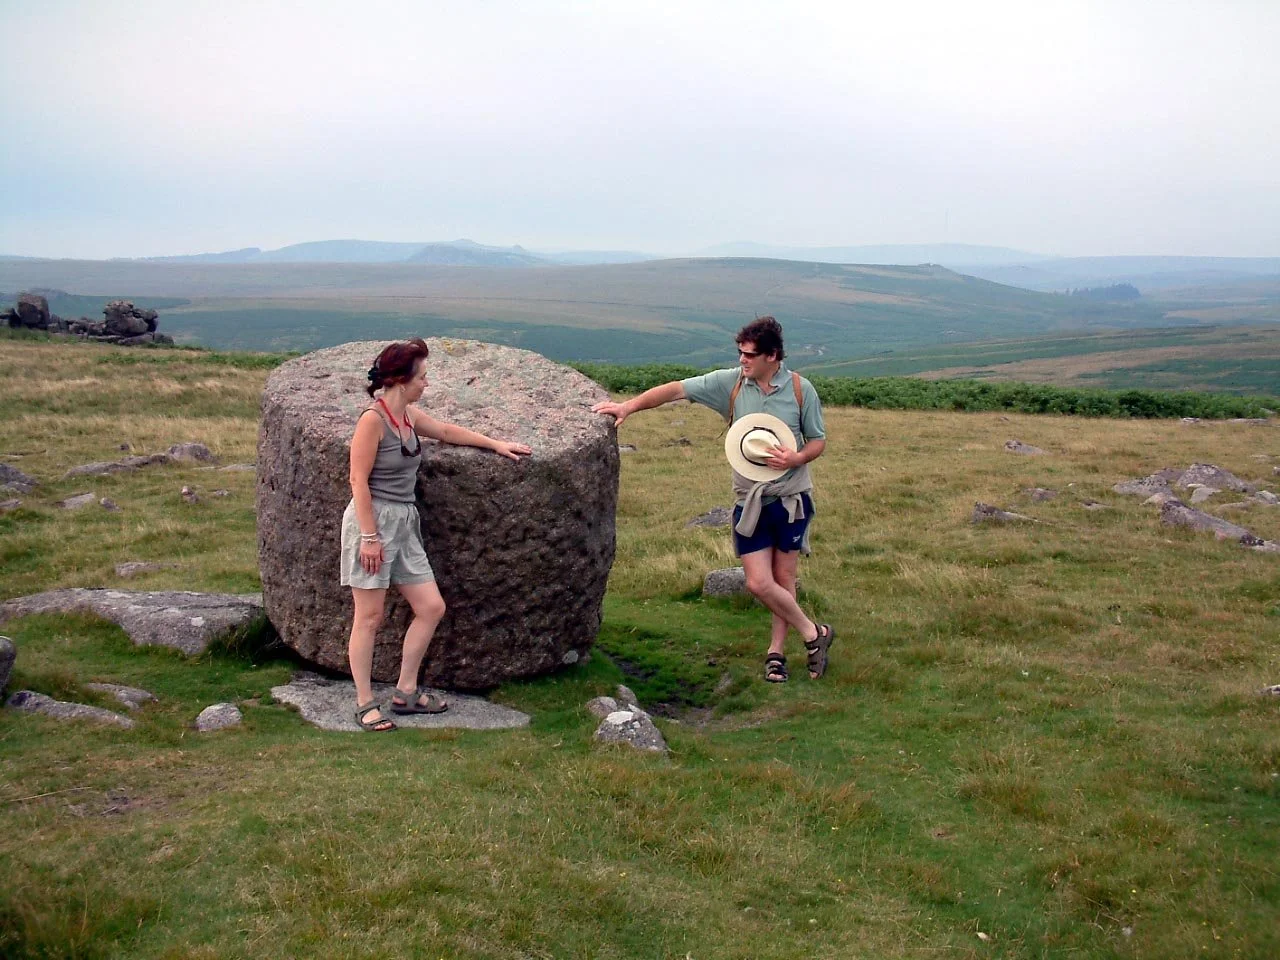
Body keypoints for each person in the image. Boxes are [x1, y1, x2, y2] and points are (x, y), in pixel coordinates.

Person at [592, 316, 834, 684]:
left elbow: (817, 440)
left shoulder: (801, 390)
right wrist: (628, 406)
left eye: (749, 355)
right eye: (739, 353)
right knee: (758, 583)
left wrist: (796, 458)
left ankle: (776, 654)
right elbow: (676, 390)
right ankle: (815, 633)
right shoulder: (731, 384)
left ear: (772, 356)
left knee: (784, 578)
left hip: (790, 498)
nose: (742, 361)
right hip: (748, 500)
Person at [343, 338, 532, 731]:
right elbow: (357, 481)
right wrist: (369, 537)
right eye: (422, 377)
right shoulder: (372, 420)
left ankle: (405, 692)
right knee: (370, 617)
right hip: (373, 521)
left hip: (405, 523)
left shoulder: (408, 416)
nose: (426, 383)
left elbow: (446, 431)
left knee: (431, 607)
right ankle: (364, 703)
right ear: (399, 379)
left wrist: (495, 444)